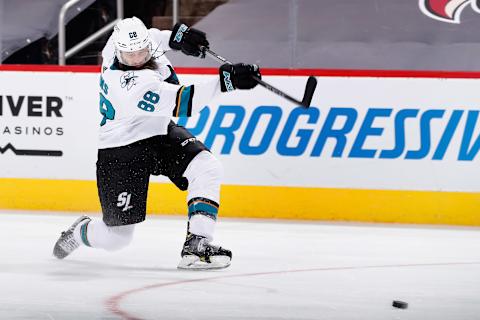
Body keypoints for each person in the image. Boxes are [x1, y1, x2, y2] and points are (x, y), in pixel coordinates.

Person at [52, 17, 261, 270]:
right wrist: (226, 81)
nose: (137, 58)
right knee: (117, 238)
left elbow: (154, 36)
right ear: (118, 51)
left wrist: (178, 37)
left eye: (141, 51)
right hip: (121, 150)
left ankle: (198, 243)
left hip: (158, 131)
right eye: (130, 55)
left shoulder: (126, 42)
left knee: (206, 167)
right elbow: (185, 102)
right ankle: (79, 232)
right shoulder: (129, 85)